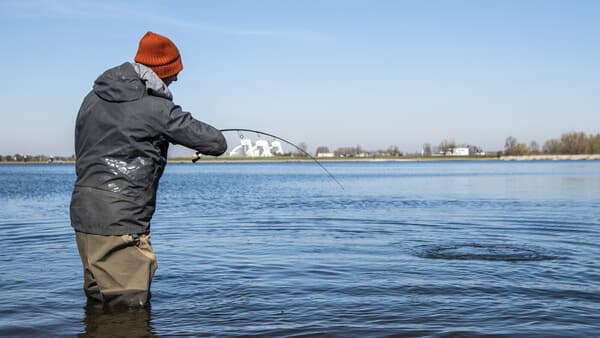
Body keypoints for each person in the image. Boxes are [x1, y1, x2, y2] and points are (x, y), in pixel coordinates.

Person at [70, 31, 227, 307]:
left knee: (99, 308)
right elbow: (216, 142)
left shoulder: (91, 99)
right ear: (163, 71)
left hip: (84, 217)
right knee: (128, 315)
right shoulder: (156, 108)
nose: (176, 78)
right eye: (174, 73)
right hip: (122, 221)